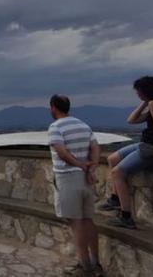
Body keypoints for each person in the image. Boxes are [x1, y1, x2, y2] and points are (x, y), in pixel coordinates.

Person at [99, 76, 153, 229]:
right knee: (112, 159)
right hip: (145, 144)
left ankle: (126, 217)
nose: (137, 94)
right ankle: (115, 198)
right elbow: (132, 120)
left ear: (146, 91)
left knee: (117, 173)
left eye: (139, 92)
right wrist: (145, 103)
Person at [47, 94, 103, 277]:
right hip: (85, 179)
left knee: (76, 222)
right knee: (88, 220)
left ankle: (84, 266)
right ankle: (96, 263)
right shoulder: (83, 125)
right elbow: (95, 147)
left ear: (53, 107)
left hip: (67, 178)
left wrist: (79, 164)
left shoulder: (55, 127)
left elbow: (61, 152)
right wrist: (91, 167)